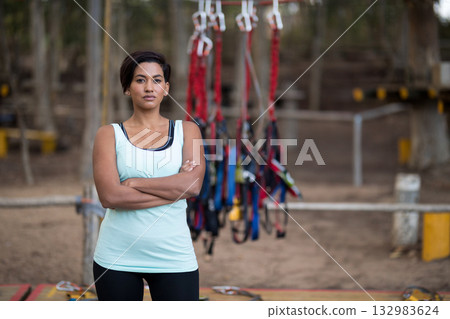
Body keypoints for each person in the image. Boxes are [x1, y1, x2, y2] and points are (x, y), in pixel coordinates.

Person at [92, 51, 205, 301]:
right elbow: (110, 196)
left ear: (166, 88)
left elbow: (194, 186)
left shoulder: (188, 131)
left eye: (156, 80)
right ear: (127, 88)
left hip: (175, 256)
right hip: (116, 256)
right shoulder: (108, 134)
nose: (149, 87)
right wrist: (175, 191)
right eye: (140, 80)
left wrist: (136, 183)